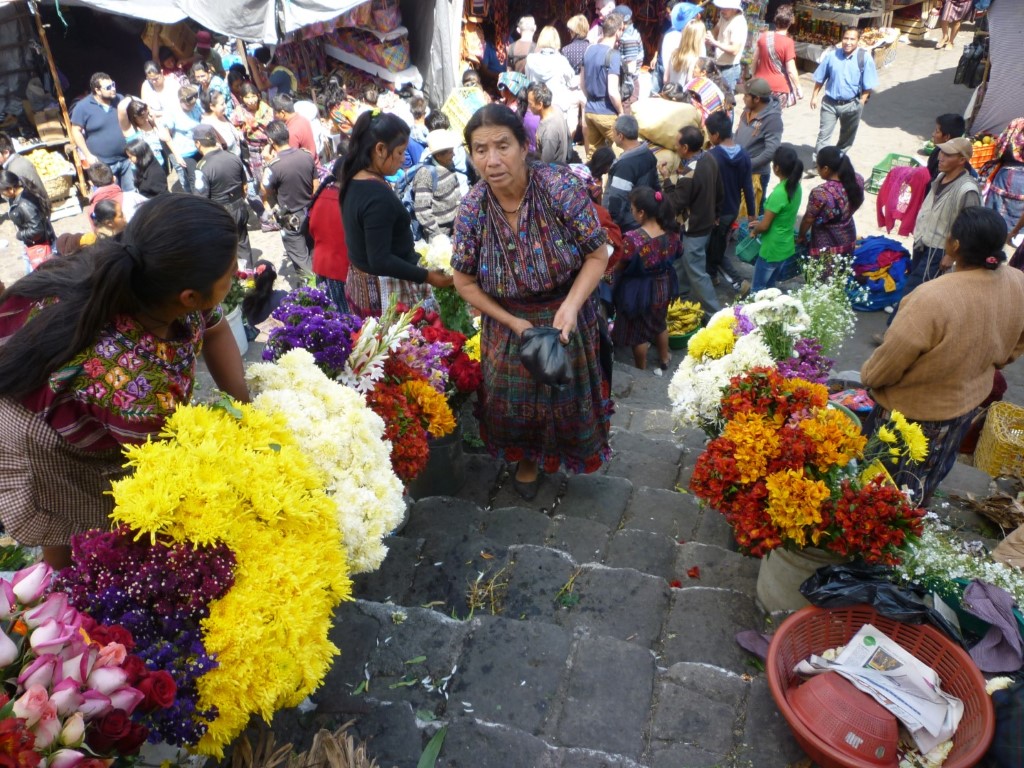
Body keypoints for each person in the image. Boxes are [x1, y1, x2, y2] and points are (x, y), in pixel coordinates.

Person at [0, 194, 247, 568]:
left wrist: (246, 410)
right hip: (36, 433)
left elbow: (212, 329)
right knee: (68, 517)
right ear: (190, 296)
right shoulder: (136, 388)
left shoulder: (152, 275)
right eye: (231, 270)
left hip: (63, 389)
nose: (238, 272)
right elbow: (157, 479)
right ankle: (59, 594)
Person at [451, 103, 611, 499]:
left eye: (502, 146)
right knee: (514, 406)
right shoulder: (472, 209)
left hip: (566, 313)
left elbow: (598, 254)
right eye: (480, 149)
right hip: (508, 325)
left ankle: (560, 455)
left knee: (564, 399)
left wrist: (571, 307)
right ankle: (526, 459)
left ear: (525, 146)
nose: (492, 160)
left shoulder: (557, 187)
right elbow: (464, 282)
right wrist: (512, 322)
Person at [862, 207, 1024, 507]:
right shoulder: (1017, 282)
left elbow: (887, 365)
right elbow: (1018, 341)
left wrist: (868, 377)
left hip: (910, 415)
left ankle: (873, 544)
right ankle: (904, 527)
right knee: (926, 477)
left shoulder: (932, 297)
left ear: (955, 245)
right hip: (964, 406)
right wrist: (998, 359)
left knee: (880, 488)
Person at [339, 110, 452, 317]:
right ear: (380, 149)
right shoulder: (376, 197)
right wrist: (428, 276)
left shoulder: (354, 178)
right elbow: (380, 259)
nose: (403, 160)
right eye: (400, 152)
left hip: (361, 284)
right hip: (385, 292)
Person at [611, 186, 679, 374]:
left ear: (641, 213)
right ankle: (665, 358)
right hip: (665, 285)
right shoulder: (672, 232)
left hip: (639, 292)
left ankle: (641, 369)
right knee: (659, 322)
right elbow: (678, 253)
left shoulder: (633, 239)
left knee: (638, 332)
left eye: (632, 209)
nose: (631, 212)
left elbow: (619, 266)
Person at [661, 124, 723, 314]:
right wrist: (716, 214)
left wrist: (666, 181)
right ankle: (681, 302)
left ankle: (715, 313)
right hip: (705, 223)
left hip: (693, 229)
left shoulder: (689, 173)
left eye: (677, 145)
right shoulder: (709, 157)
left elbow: (674, 204)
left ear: (686, 148)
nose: (675, 148)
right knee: (681, 266)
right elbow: (720, 188)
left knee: (696, 273)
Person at [810, 27, 878, 163]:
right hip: (830, 103)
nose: (848, 42)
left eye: (852, 39)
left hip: (851, 105)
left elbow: (868, 85)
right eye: (846, 38)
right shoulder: (832, 56)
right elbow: (820, 78)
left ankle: (836, 160)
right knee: (823, 135)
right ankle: (819, 164)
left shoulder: (864, 58)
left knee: (846, 138)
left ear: (858, 41)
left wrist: (861, 103)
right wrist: (814, 96)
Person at [705, 111, 753, 293]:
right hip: (732, 210)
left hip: (716, 214)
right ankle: (712, 276)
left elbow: (709, 190)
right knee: (716, 245)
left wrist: (714, 214)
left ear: (715, 135)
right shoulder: (744, 155)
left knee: (714, 251)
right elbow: (748, 187)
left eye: (709, 134)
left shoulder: (712, 157)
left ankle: (739, 283)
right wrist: (751, 215)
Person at [261, 120, 315, 275]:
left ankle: (313, 292)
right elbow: (316, 185)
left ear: (271, 141)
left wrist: (267, 164)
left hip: (291, 217)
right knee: (313, 249)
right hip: (310, 210)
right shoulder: (306, 156)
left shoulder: (274, 166)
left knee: (299, 257)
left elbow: (263, 190)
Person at [194, 125, 251, 267]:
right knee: (243, 244)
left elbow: (201, 200)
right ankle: (250, 280)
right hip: (240, 207)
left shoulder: (202, 167)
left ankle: (235, 285)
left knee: (227, 251)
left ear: (198, 143)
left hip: (221, 213)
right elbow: (245, 186)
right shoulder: (233, 157)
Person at [748, 145, 803, 291]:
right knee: (771, 288)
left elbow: (765, 226)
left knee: (758, 290)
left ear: (777, 168)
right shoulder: (796, 187)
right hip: (785, 246)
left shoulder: (779, 193)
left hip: (771, 249)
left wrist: (755, 230)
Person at [71, 72, 135, 192]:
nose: (113, 89)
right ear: (98, 90)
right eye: (108, 87)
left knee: (130, 196)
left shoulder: (119, 100)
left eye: (113, 85)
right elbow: (76, 131)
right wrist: (87, 155)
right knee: (109, 201)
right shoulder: (82, 107)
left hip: (126, 160)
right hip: (103, 165)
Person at [798, 145, 864, 257]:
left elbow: (808, 219)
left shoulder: (821, 193)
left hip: (826, 244)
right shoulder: (857, 179)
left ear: (826, 169)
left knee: (823, 273)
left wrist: (801, 236)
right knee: (841, 271)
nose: (818, 170)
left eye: (817, 167)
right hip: (849, 235)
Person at [306, 158, 350, 314]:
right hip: (341, 270)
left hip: (322, 266)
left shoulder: (322, 194)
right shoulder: (347, 201)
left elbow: (312, 229)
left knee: (333, 316)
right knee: (347, 320)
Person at [734, 77, 783, 215]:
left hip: (756, 175)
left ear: (757, 99)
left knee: (754, 212)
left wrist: (747, 164)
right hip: (739, 169)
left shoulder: (773, 120)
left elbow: (771, 151)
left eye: (746, 95)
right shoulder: (747, 110)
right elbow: (738, 134)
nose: (743, 98)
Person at [603, 114, 658, 232]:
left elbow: (617, 201)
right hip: (644, 219)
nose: (612, 136)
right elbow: (656, 186)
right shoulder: (648, 154)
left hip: (628, 226)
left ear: (620, 136)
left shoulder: (625, 166)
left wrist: (611, 226)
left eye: (613, 132)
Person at [581, 12, 625, 153]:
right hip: (607, 112)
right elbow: (613, 91)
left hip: (590, 110)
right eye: (622, 29)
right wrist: (621, 112)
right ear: (618, 31)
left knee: (593, 154)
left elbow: (581, 83)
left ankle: (593, 175)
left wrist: (589, 100)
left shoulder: (588, 50)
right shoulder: (613, 55)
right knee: (622, 150)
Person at [526, 26, 579, 136]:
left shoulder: (531, 59)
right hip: (557, 109)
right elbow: (571, 82)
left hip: (536, 108)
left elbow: (528, 80)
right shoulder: (561, 61)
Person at [411, 129, 463, 241]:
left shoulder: (449, 164)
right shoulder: (426, 174)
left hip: (454, 228)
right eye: (450, 152)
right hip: (439, 234)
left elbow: (456, 191)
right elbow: (422, 210)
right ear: (439, 156)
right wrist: (438, 236)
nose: (453, 154)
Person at [0, 171, 53, 271]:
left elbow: (37, 229)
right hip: (31, 243)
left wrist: (20, 235)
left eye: (2, 192)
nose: (2, 195)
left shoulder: (25, 204)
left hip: (39, 245)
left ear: (11, 189)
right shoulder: (20, 196)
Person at [752, 4, 801, 107]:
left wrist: (753, 76)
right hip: (778, 89)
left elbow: (755, 59)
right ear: (791, 21)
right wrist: (798, 88)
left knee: (758, 113)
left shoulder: (764, 36)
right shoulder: (788, 42)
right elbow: (791, 70)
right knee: (772, 118)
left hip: (760, 85)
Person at [984, 118, 1024, 233]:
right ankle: (1013, 236)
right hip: (1019, 185)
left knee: (992, 222)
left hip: (1006, 177)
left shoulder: (1016, 123)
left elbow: (1000, 147)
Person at [163, 85, 203, 193]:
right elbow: (168, 137)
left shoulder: (196, 105)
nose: (191, 107)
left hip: (200, 147)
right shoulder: (172, 112)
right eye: (188, 105)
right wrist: (177, 156)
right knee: (195, 180)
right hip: (185, 152)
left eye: (193, 104)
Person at [56, 198, 126, 256]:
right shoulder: (98, 245)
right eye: (121, 216)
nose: (125, 217)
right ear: (109, 223)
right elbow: (63, 242)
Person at [120, 99, 178, 169]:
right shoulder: (129, 129)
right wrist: (130, 97)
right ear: (134, 117)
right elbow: (121, 108)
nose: (146, 119)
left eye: (146, 115)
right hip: (143, 169)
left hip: (159, 164)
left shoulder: (150, 121)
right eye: (142, 118)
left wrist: (149, 110)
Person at [705, 0, 747, 92]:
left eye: (725, 8)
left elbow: (734, 49)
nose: (722, 10)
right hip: (719, 64)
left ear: (734, 9)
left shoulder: (739, 22)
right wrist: (709, 35)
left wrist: (714, 42)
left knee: (726, 99)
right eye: (721, 7)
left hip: (730, 68)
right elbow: (716, 30)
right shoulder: (724, 16)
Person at [527, 82, 571, 165]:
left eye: (530, 104)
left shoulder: (549, 133)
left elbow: (545, 165)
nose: (529, 107)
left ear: (540, 105)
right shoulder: (557, 109)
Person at [614, 5, 644, 108]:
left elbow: (630, 68)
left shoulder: (628, 39)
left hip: (628, 85)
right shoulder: (629, 34)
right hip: (628, 83)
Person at [666, 18, 706, 87]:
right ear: (698, 39)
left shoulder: (674, 54)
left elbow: (665, 79)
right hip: (684, 96)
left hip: (670, 93)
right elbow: (689, 80)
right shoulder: (695, 59)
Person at [928, 113, 967, 182]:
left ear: (947, 137)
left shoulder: (954, 164)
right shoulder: (937, 150)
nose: (933, 134)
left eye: (937, 131)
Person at [200, 90, 241, 156]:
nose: (225, 106)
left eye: (225, 103)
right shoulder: (207, 126)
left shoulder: (222, 115)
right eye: (222, 104)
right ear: (212, 107)